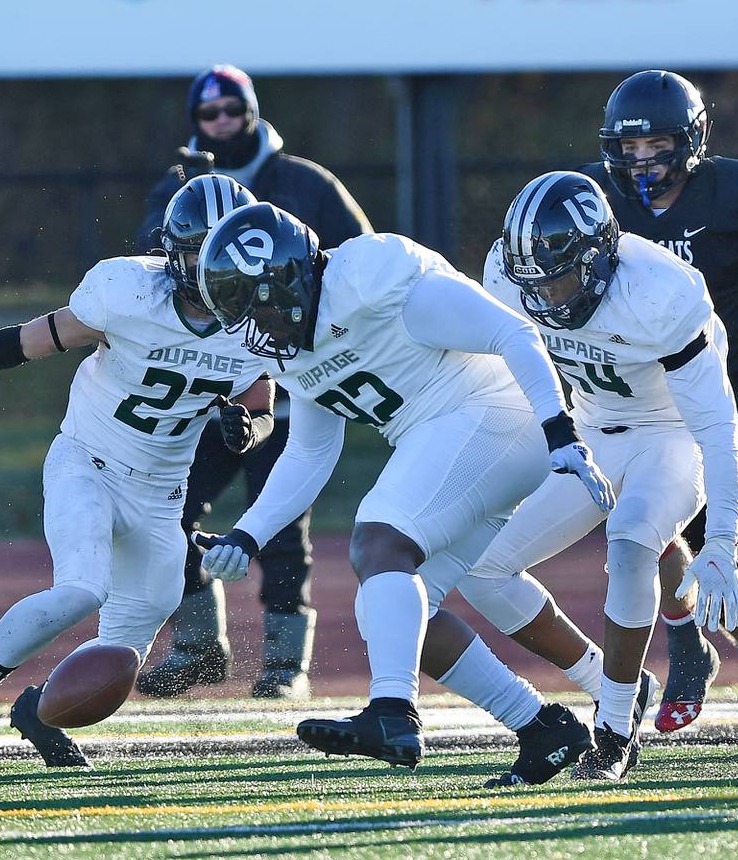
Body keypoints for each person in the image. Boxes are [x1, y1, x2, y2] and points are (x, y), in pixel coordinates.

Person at [192, 203, 617, 782]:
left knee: (379, 540)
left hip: (495, 413)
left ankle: (392, 711)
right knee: (391, 609)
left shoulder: (371, 278)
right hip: (458, 440)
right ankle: (543, 728)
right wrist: (248, 534)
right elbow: (312, 452)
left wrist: (558, 427)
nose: (254, 328)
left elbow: (511, 331)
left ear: (289, 278)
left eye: (256, 305)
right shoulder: (290, 342)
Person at [0, 174, 273, 766]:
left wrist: (247, 426)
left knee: (119, 658)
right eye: (203, 253)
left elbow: (261, 405)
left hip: (162, 495)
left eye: (229, 255)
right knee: (82, 587)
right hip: (88, 461)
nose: (217, 270)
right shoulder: (127, 293)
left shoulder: (257, 324)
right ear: (176, 254)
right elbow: (22, 342)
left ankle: (36, 711)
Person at [460, 171, 738, 780]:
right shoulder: (510, 276)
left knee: (632, 539)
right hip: (588, 433)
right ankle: (614, 683)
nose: (544, 295)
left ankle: (615, 731)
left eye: (557, 277)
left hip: (671, 436)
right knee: (484, 574)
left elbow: (718, 429)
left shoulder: (660, 293)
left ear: (596, 259)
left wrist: (722, 539)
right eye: (531, 282)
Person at [577, 69, 738, 739]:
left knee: (661, 523)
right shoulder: (598, 204)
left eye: (654, 146)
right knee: (679, 536)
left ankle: (690, 649)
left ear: (689, 142)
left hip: (736, 394)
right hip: (645, 400)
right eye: (627, 148)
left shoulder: (736, 197)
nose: (639, 162)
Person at [135, 64, 372, 701]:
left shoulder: (301, 182)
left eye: (231, 111)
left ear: (252, 110)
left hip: (287, 379)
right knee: (169, 513)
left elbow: (357, 259)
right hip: (203, 385)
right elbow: (153, 274)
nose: (220, 124)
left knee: (282, 532)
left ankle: (283, 667)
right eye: (208, 115)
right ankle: (198, 645)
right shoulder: (176, 189)